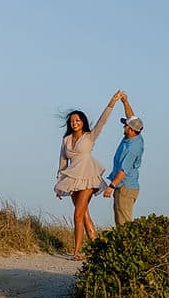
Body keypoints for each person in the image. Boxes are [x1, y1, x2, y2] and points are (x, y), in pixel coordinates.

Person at [55, 90, 121, 258]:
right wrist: (59, 184)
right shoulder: (66, 140)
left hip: (88, 176)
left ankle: (77, 252)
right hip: (72, 178)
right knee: (84, 214)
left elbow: (102, 121)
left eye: (77, 120)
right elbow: (63, 162)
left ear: (83, 122)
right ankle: (98, 248)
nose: (74, 123)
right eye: (72, 121)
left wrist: (112, 102)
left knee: (78, 214)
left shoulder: (90, 136)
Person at [102, 91, 144, 226]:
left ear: (131, 129)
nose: (124, 126)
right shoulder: (134, 136)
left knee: (124, 224)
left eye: (126, 125)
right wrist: (125, 102)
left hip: (125, 187)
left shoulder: (132, 148)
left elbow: (123, 170)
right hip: (124, 187)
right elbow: (131, 117)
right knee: (120, 220)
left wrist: (111, 187)